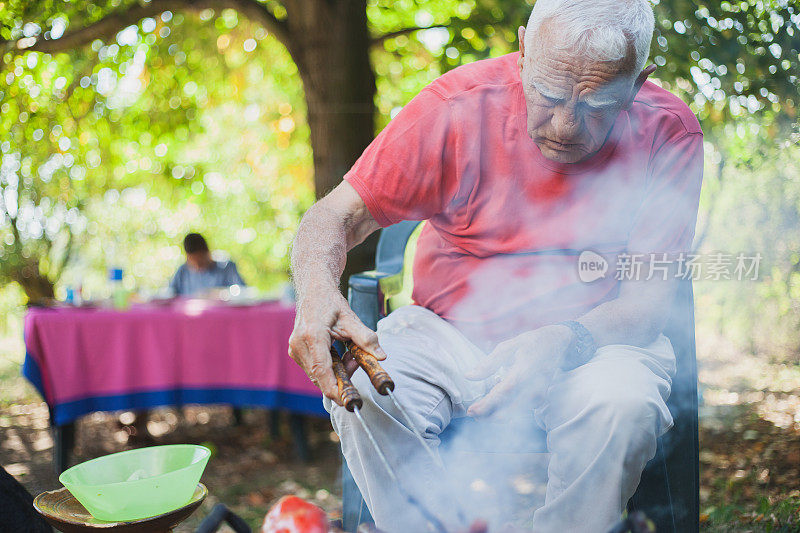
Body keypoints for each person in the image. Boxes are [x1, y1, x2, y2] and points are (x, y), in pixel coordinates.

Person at [289, 0, 703, 531]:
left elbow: (646, 304)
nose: (566, 126)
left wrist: (561, 340)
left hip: (595, 341)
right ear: (525, 50)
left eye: (599, 106)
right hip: (447, 333)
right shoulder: (458, 105)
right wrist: (317, 292)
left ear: (639, 81)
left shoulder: (668, 133)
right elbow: (334, 215)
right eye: (549, 96)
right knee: (367, 387)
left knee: (620, 406)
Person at [169, 233, 246, 296]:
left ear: (208, 253)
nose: (197, 266)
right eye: (193, 262)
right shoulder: (183, 271)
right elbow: (170, 295)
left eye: (200, 261)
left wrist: (223, 293)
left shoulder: (227, 267)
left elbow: (243, 293)